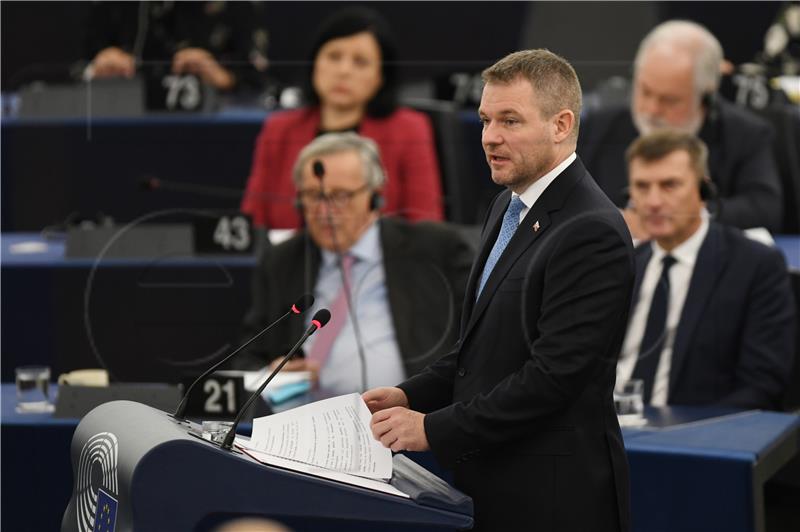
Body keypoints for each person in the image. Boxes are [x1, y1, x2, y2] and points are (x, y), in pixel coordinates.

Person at [364, 50, 634, 532]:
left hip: (553, 502)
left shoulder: (592, 230)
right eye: (486, 119)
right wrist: (409, 396)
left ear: (561, 124)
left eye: (510, 120)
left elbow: (550, 379)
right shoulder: (506, 207)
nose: (489, 137)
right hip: (488, 488)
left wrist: (431, 429)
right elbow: (481, 349)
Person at [236, 132, 472, 395]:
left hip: (412, 419)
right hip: (305, 421)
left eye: (340, 196)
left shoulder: (436, 249)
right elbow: (247, 359)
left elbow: (477, 345)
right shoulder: (282, 261)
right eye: (313, 196)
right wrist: (271, 372)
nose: (324, 212)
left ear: (375, 197)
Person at [617, 130, 795, 410]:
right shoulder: (623, 264)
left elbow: (763, 385)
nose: (652, 202)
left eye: (669, 185)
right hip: (605, 433)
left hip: (696, 436)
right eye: (641, 186)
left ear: (704, 190)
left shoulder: (754, 266)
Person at [240, 7, 444, 229]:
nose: (344, 71)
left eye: (360, 62)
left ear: (381, 77)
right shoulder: (279, 129)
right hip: (293, 260)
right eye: (334, 57)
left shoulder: (409, 130)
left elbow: (426, 227)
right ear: (315, 63)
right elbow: (253, 222)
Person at [578, 20, 783, 233]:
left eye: (669, 100)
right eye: (645, 92)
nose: (651, 109)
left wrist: (690, 215)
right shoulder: (598, 126)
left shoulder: (745, 134)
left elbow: (765, 209)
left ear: (705, 95)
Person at [86, 1, 268, 93]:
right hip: (121, 122)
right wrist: (94, 69)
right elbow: (71, 68)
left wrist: (225, 78)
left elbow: (266, 83)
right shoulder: (111, 6)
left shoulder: (235, 7)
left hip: (209, 129)